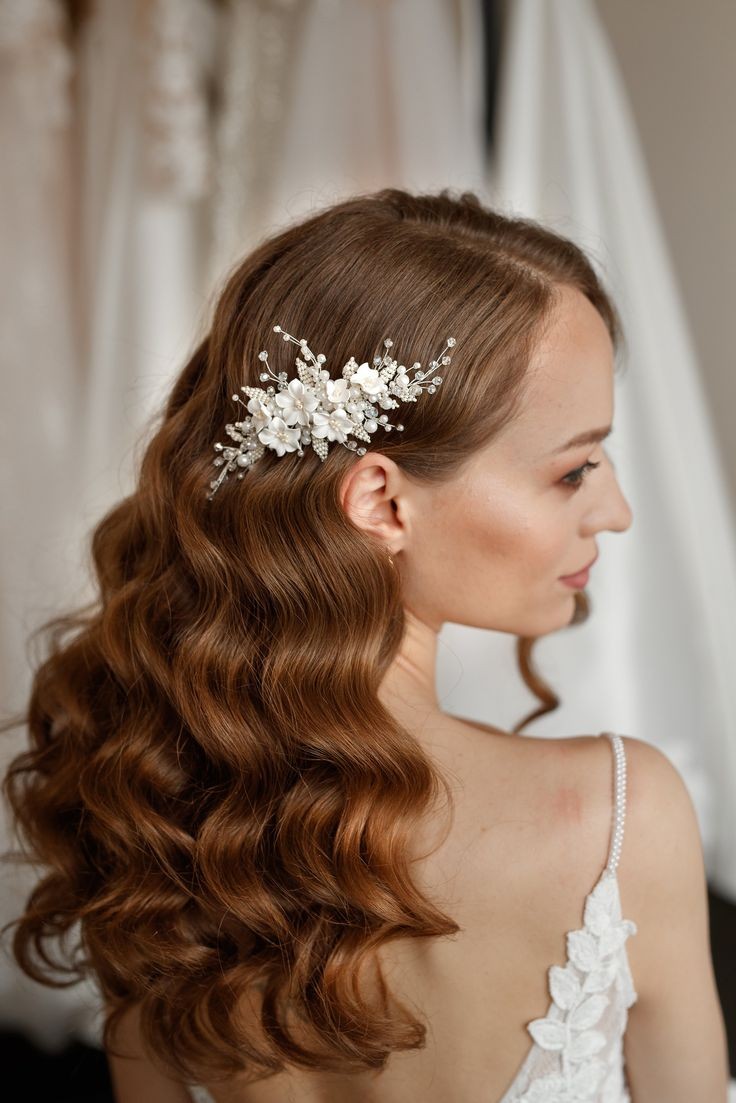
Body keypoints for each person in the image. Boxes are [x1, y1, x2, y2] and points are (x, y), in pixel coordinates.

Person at [1, 188, 728, 1102]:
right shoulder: (620, 823)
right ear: (382, 501)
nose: (614, 512)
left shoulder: (145, 799)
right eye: (575, 468)